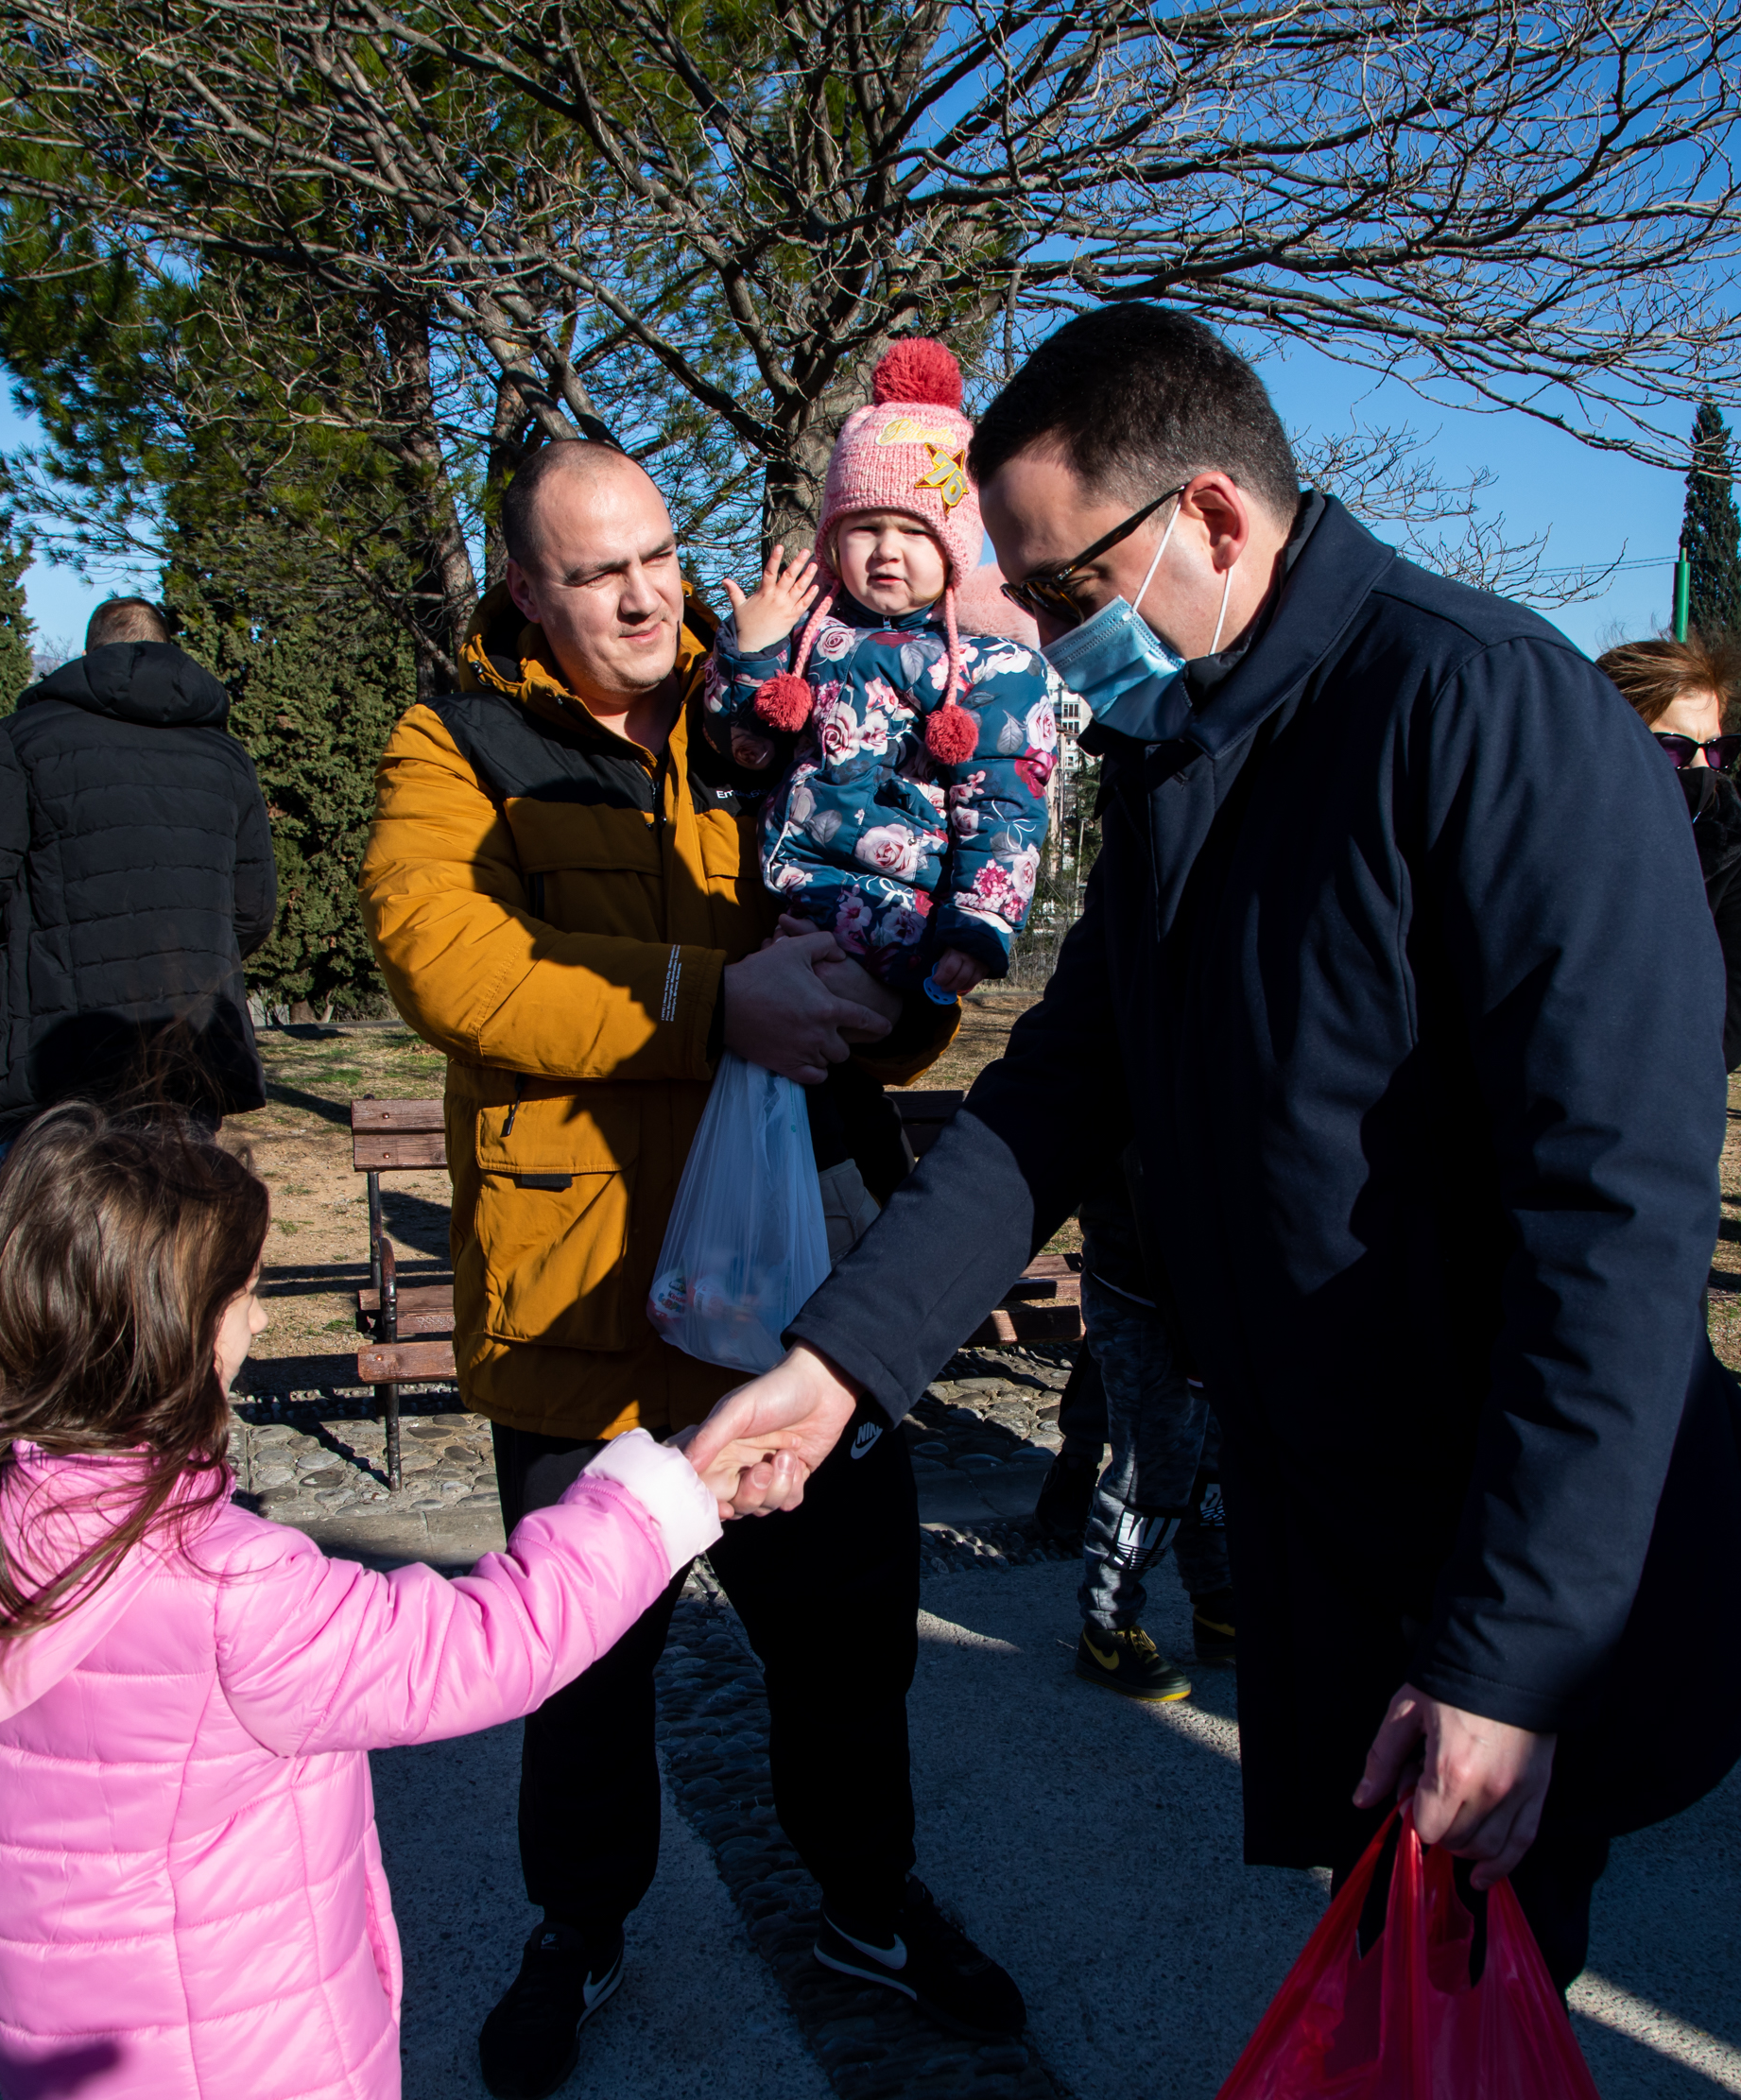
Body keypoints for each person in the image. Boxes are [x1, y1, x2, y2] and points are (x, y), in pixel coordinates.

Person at [692, 302, 1741, 1996]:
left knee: (1477, 2005)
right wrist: (838, 1366)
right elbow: (1055, 1088)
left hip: (1501, 1535)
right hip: (1327, 1525)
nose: (1038, 641)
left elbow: (1614, 1224)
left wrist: (1509, 1654)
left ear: (1209, 516)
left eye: (1061, 593)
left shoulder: (1486, 707)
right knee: (1387, 1987)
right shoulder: (1181, 743)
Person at [357, 439, 1025, 2100]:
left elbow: (892, 907)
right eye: (598, 573)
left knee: (849, 1638)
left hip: (798, 1302)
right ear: (526, 590)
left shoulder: (787, 695)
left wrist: (896, 995)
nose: (648, 594)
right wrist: (708, 1003)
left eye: (658, 553)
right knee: (581, 1666)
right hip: (583, 1303)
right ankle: (576, 1927)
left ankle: (865, 1901)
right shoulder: (460, 740)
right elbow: (445, 954)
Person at [0, 1105, 739, 2100]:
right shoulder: (224, 1588)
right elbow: (484, 1646)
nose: (262, 1320)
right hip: (247, 2057)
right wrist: (653, 1501)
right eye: (246, 1293)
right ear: (174, 1326)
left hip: (56, 2051)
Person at [704, 339, 1060, 999]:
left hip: (904, 914)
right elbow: (742, 746)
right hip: (783, 892)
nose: (887, 552)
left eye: (915, 532)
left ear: (953, 546)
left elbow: (1005, 800)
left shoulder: (990, 664)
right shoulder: (805, 636)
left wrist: (979, 921)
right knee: (769, 1042)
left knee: (830, 1034)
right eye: (865, 528)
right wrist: (749, 651)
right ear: (833, 540)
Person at [0, 596, 276, 1165]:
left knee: (49, 1218)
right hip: (184, 1047)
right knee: (173, 1215)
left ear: (91, 655)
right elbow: (253, 910)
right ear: (167, 650)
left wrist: (41, 930)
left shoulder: (24, 739)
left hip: (56, 1046)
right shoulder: (226, 758)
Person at [1063, 1151, 1232, 1702]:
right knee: (1150, 1470)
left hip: (1212, 1291)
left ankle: (1218, 1604)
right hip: (1142, 1291)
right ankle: (1107, 1629)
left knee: (1212, 1457)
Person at [1596, 633, 1741, 1068]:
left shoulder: (1729, 852)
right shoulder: (1554, 840)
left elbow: (1727, 1025)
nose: (1701, 769)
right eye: (1674, 748)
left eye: (1718, 750)